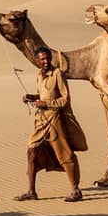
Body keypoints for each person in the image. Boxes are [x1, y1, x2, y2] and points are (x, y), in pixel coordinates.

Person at [14, 48, 87, 203]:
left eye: (47, 58)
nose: (46, 61)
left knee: (64, 154)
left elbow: (64, 99)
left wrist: (45, 103)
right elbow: (42, 94)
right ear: (37, 61)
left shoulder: (58, 74)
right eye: (42, 59)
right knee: (31, 152)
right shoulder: (39, 75)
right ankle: (31, 191)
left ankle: (76, 190)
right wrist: (31, 97)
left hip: (55, 121)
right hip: (40, 121)